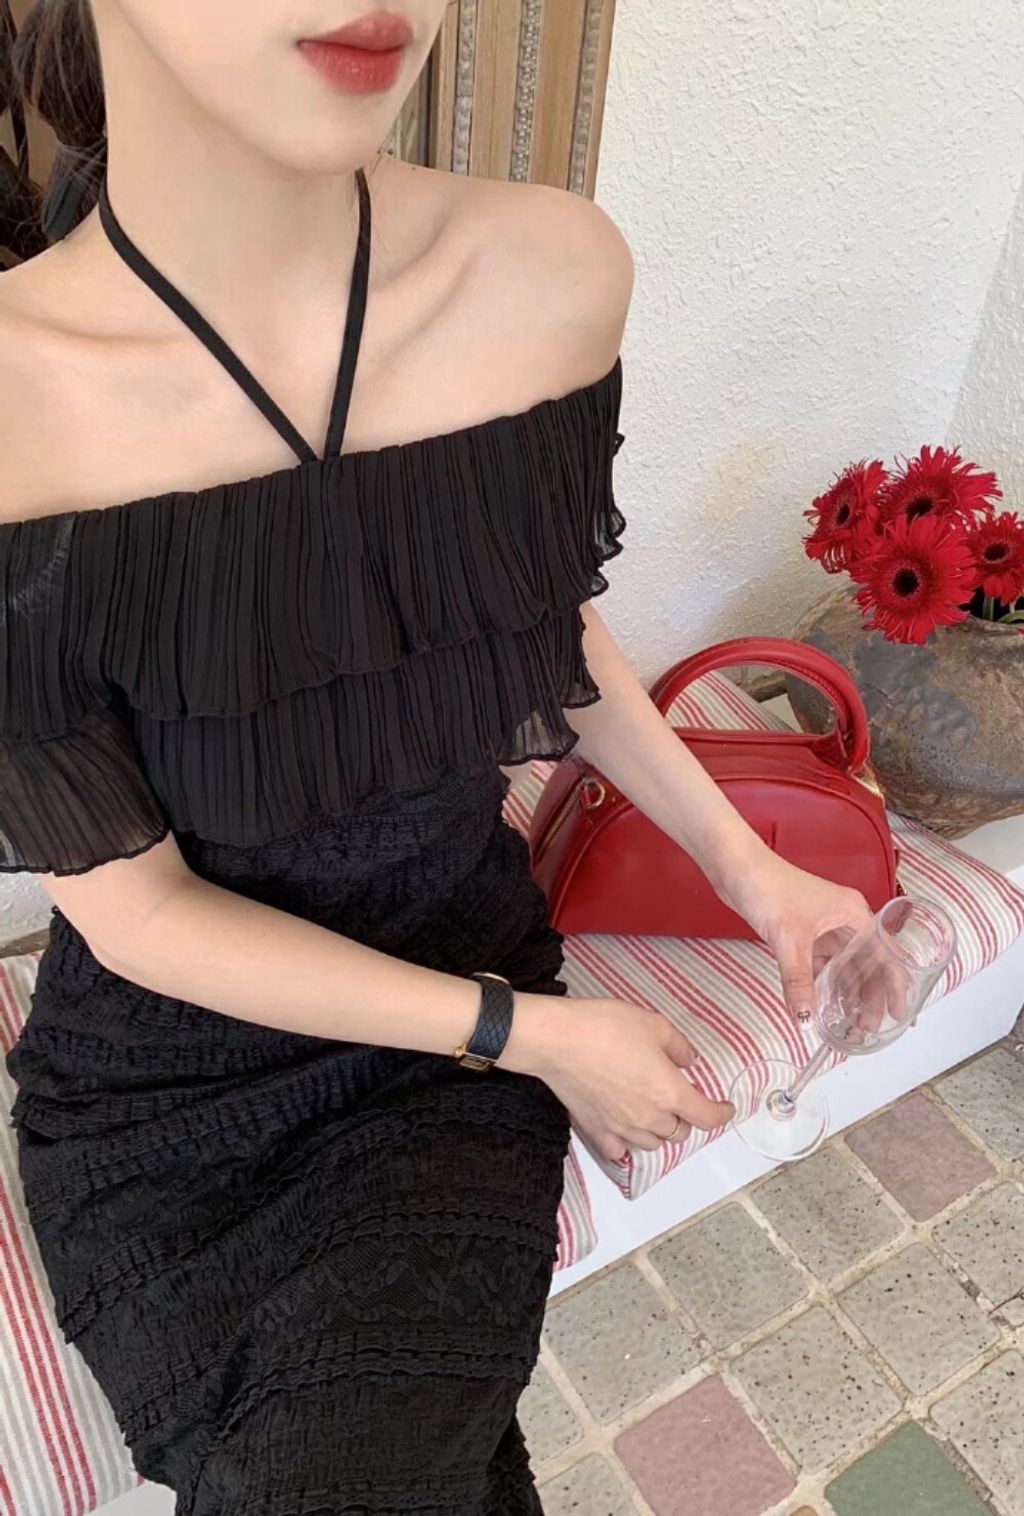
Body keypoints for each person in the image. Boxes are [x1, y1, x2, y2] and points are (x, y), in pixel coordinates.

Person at [0, 2, 873, 1510]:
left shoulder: (546, 275)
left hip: (440, 1025)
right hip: (171, 1079)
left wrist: (757, 873)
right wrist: (535, 1038)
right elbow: (135, 916)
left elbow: (534, 624)